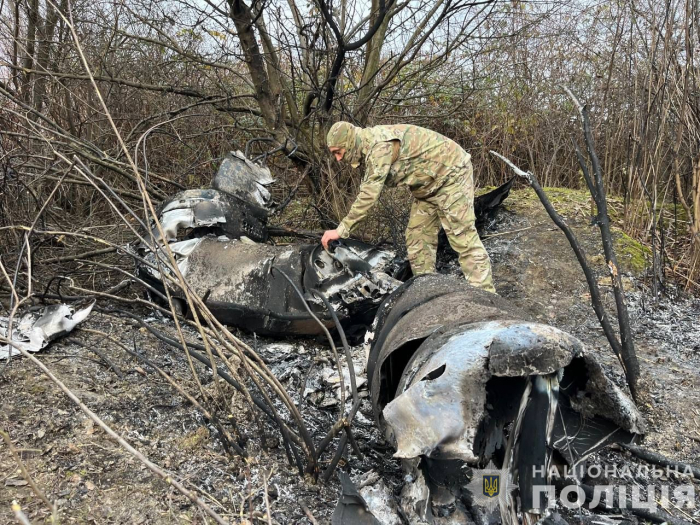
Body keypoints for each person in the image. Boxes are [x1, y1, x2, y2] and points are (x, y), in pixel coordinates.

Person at [321, 122, 495, 293]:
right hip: (427, 186)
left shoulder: (378, 146)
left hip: (452, 174)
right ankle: (428, 293)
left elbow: (369, 194)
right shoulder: (368, 145)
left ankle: (486, 298)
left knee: (462, 237)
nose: (338, 158)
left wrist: (341, 230)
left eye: (338, 152)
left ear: (349, 143)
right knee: (417, 237)